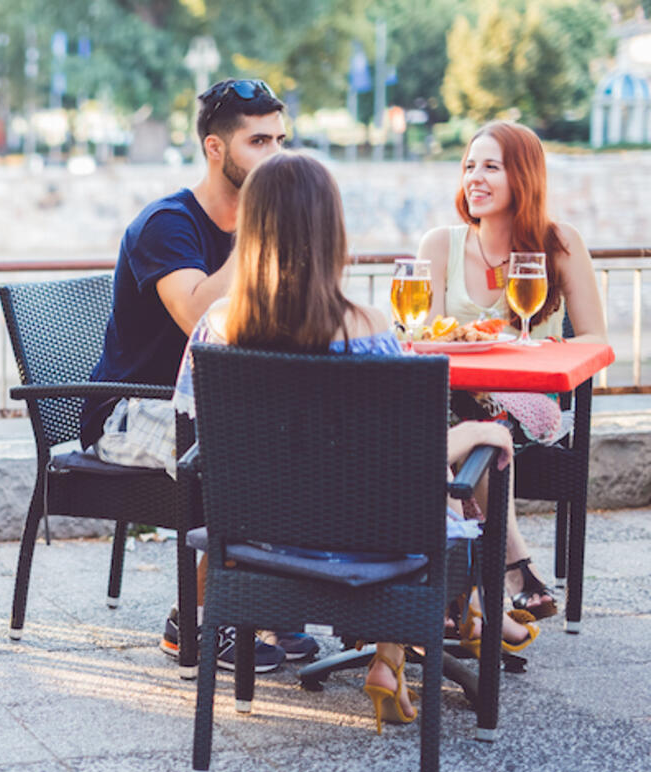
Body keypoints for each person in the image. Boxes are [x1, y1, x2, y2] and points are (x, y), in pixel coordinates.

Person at [173, 151, 539, 731]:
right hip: (368, 550)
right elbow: (405, 453)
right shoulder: (368, 328)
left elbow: (199, 438)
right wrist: (475, 431)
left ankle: (407, 647)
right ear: (331, 231)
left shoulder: (215, 327)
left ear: (251, 229)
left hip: (259, 547)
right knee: (438, 493)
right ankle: (409, 644)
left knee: (410, 493)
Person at [79, 78, 297, 672]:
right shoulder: (167, 224)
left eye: (280, 141)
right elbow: (201, 315)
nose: (275, 155)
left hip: (223, 404)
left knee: (311, 436)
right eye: (259, 142)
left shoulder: (268, 229)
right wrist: (259, 231)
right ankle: (196, 619)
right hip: (131, 409)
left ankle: (273, 603)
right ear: (215, 149)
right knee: (257, 453)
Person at [416, 121, 608, 622]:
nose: (474, 178)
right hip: (451, 399)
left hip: (529, 401)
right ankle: (508, 571)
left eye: (491, 167)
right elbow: (424, 338)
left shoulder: (559, 243)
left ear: (523, 176)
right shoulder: (440, 245)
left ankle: (462, 586)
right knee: (461, 422)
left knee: (470, 426)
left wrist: (532, 347)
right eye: (469, 166)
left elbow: (595, 338)